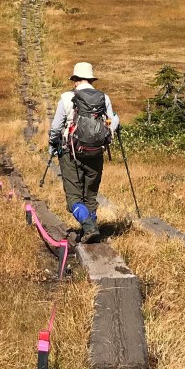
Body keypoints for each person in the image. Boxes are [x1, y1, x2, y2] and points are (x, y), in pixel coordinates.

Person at [48, 62, 120, 243]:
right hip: (96, 153)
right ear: (91, 79)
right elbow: (112, 123)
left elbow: (56, 127)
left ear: (75, 80)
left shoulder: (66, 98)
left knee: (73, 198)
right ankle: (91, 229)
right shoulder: (104, 98)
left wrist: (52, 144)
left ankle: (89, 227)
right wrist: (116, 120)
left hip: (70, 153)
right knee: (90, 195)